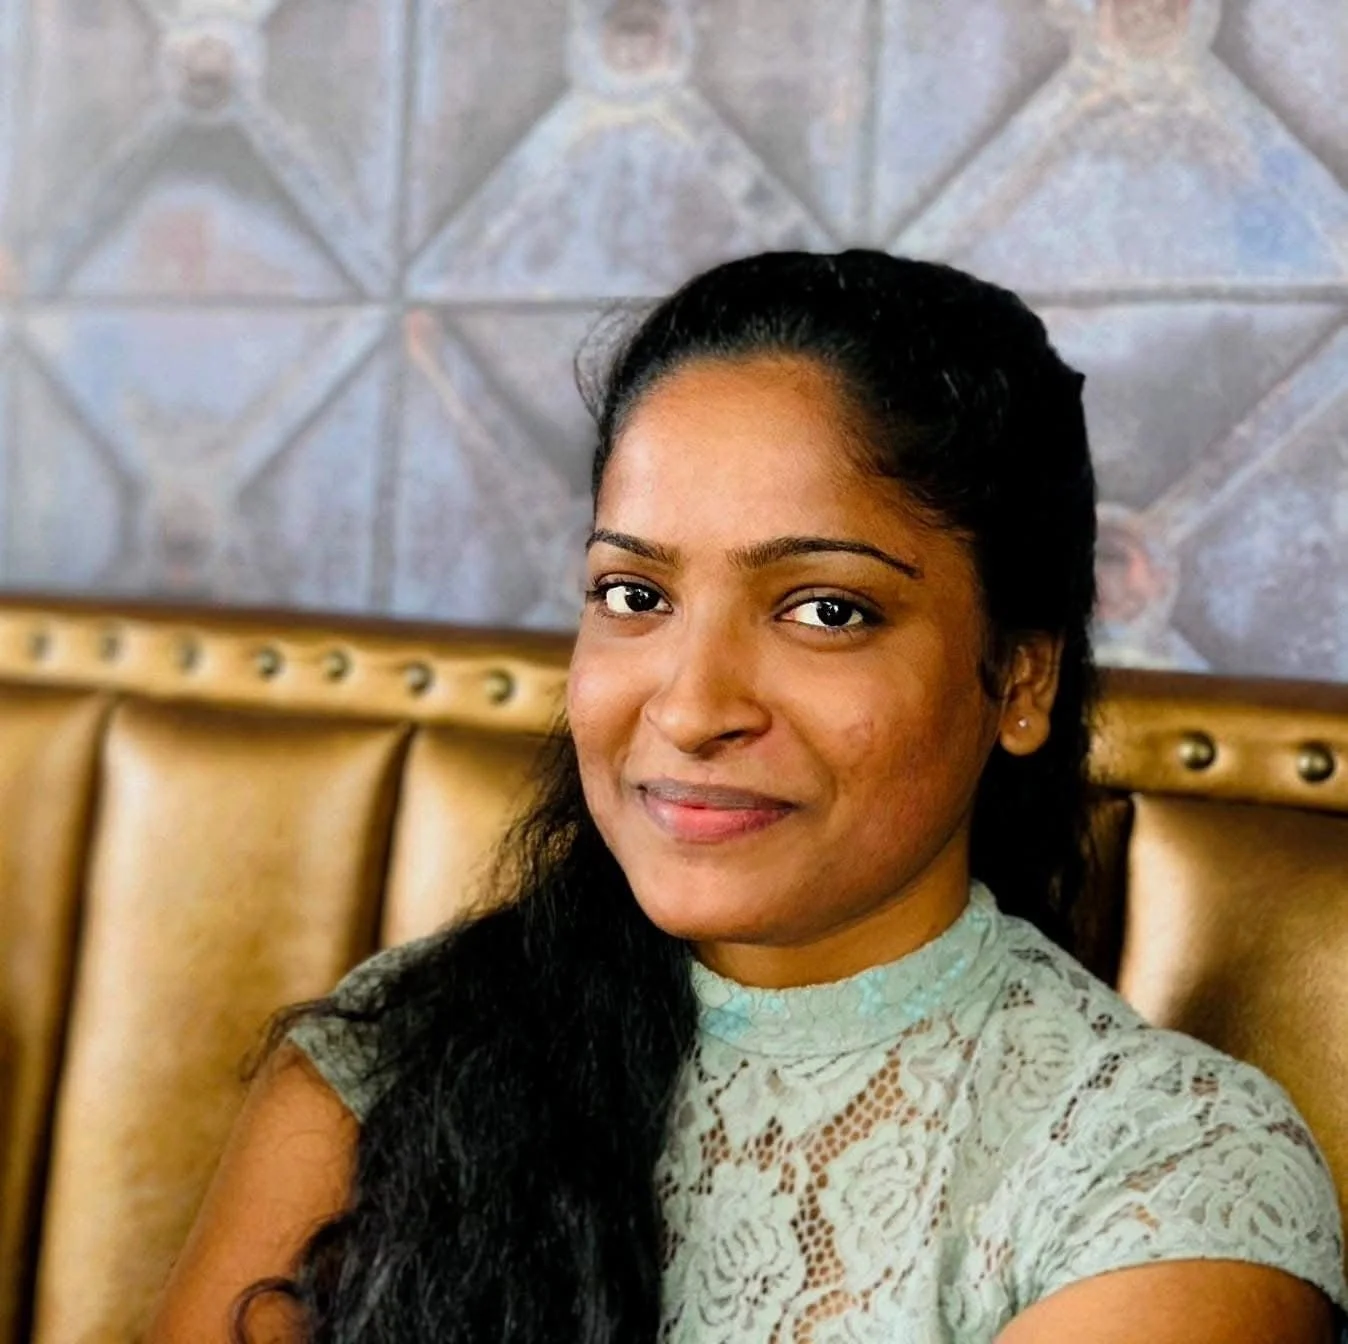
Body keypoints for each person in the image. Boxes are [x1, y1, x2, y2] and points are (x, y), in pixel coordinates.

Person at [148, 252, 1347, 1344]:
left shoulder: (1161, 1176)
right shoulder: (401, 1060)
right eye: (633, 594)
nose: (689, 705)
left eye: (825, 609)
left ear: (1017, 680)